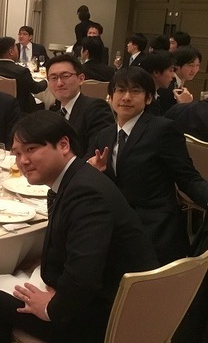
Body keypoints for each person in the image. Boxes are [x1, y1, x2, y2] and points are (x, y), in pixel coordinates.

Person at [0, 110, 158, 343]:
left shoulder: (86, 193)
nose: (22, 161)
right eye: (17, 153)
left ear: (63, 145)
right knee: (18, 273)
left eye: (31, 149)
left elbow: (84, 277)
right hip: (120, 310)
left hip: (97, 329)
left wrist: (50, 308)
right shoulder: (79, 179)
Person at [89, 67, 208, 264]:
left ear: (149, 98)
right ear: (110, 97)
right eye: (120, 90)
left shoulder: (162, 130)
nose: (126, 97)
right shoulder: (105, 135)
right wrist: (93, 172)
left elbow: (188, 178)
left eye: (135, 91)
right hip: (114, 226)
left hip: (154, 229)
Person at [45, 54, 114, 156]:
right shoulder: (54, 114)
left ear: (81, 79)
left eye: (65, 76)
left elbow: (96, 155)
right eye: (53, 78)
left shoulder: (96, 109)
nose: (59, 83)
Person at [0, 37, 47, 114]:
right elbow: (35, 88)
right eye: (16, 48)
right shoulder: (21, 71)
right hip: (20, 109)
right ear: (11, 52)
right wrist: (46, 81)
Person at [140, 51, 182, 116]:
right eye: (171, 70)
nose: (173, 75)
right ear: (156, 72)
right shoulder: (144, 99)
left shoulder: (155, 95)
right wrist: (182, 105)